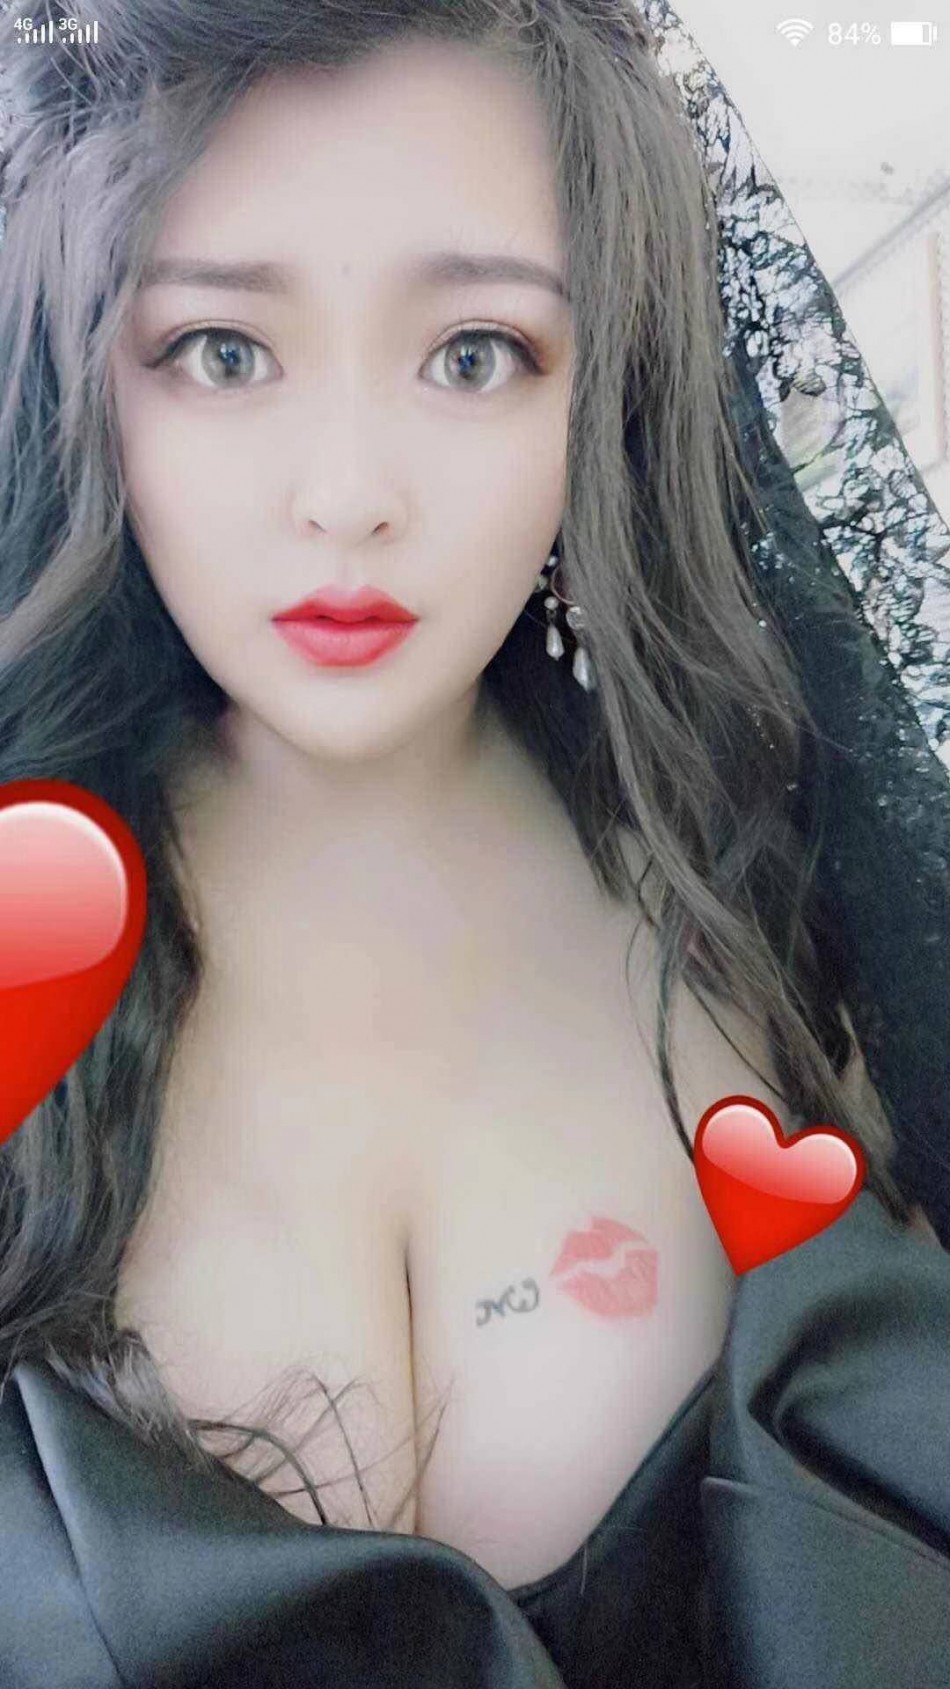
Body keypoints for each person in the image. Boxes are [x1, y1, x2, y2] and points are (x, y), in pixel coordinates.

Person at [0, 2, 949, 1685]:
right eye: (222, 349)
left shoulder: (773, 913)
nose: (348, 492)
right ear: (85, 374)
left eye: (472, 353)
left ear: (607, 383)